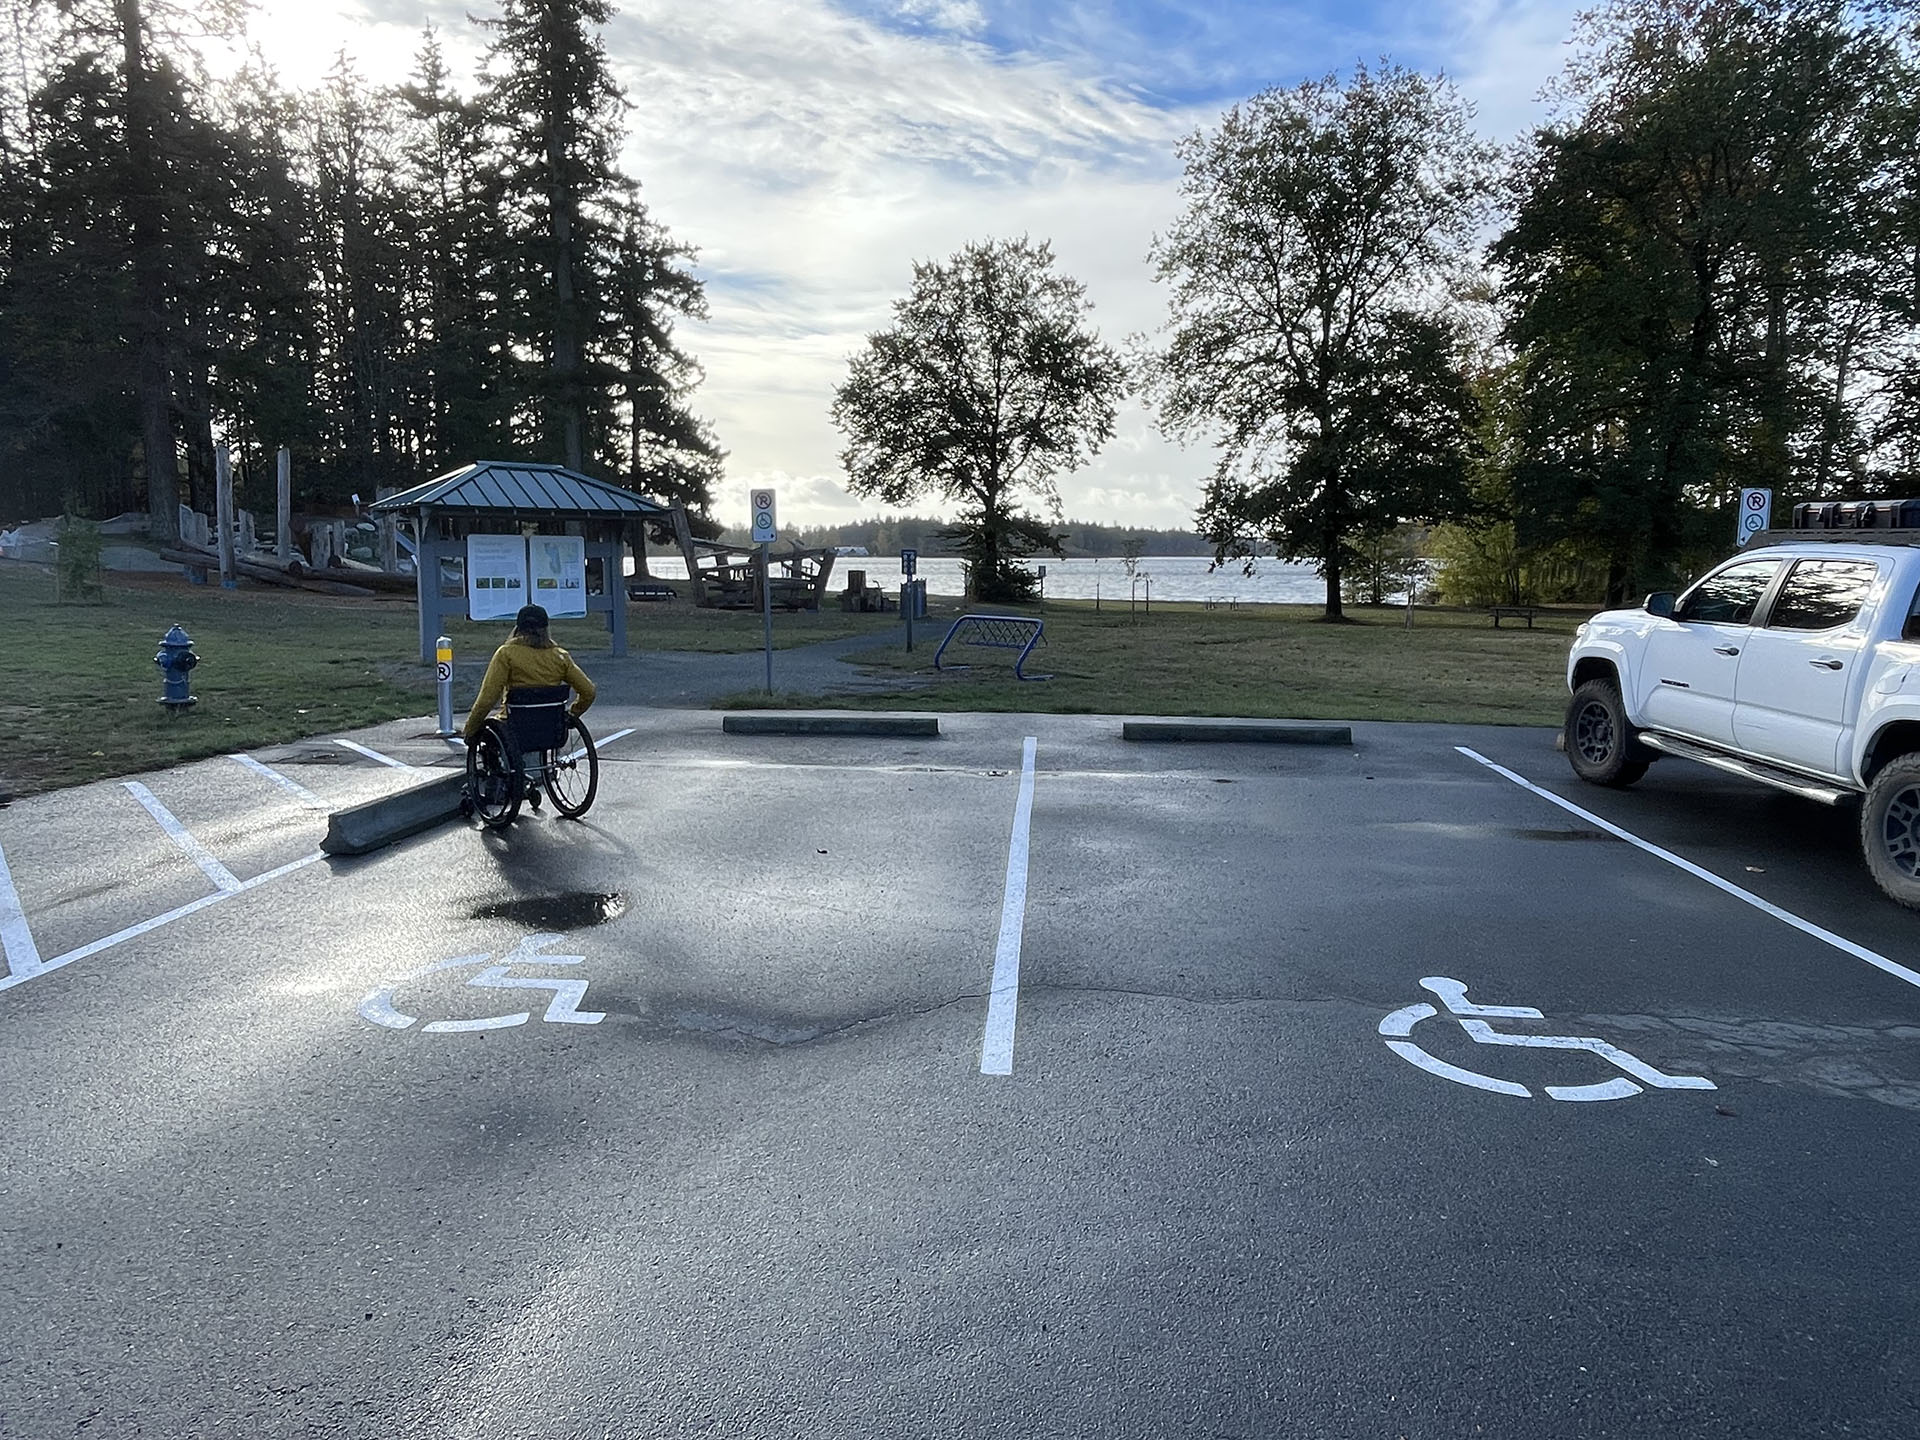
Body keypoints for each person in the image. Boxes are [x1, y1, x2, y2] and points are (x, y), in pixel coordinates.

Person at [461, 604, 597, 746]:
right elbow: (589, 691)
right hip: (551, 726)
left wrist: (471, 729)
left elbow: (487, 699)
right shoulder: (560, 657)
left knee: (489, 736)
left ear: (518, 628)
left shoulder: (506, 654)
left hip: (515, 727)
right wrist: (572, 714)